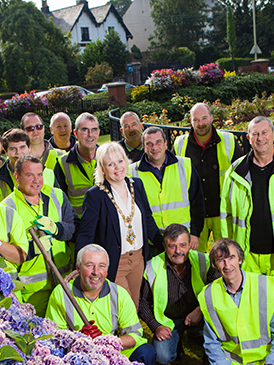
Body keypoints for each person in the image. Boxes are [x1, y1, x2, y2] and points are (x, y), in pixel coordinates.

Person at [219, 116, 274, 365]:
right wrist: (227, 254)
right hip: (248, 256)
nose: (260, 139)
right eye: (255, 134)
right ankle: (260, 358)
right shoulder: (235, 171)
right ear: (248, 138)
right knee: (255, 309)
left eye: (265, 133)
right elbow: (226, 214)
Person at [200, 238, 274, 365]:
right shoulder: (208, 295)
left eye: (231, 258)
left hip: (263, 359)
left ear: (240, 259)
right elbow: (211, 342)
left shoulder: (264, 286)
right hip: (231, 360)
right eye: (220, 260)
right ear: (215, 264)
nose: (227, 266)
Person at [76, 142, 163, 308]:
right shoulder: (95, 195)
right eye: (110, 164)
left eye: (120, 161)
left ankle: (129, 334)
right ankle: (122, 334)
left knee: (134, 305)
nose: (117, 167)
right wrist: (81, 264)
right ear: (102, 168)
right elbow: (86, 234)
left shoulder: (137, 185)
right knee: (124, 307)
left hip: (138, 258)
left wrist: (164, 244)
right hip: (115, 262)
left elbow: (148, 220)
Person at [46, 244, 156, 365]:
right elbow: (53, 336)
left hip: (111, 351)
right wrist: (81, 339)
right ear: (78, 268)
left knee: (146, 352)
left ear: (107, 270)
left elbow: (135, 335)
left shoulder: (119, 294)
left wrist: (106, 341)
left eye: (101, 266)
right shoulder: (62, 294)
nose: (96, 272)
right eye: (89, 265)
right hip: (76, 355)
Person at [1, 155, 77, 316]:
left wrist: (57, 229)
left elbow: (74, 229)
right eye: (30, 175)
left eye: (39, 174)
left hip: (65, 284)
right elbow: (7, 257)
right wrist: (32, 249)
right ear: (17, 177)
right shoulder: (6, 208)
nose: (36, 180)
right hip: (32, 293)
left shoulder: (57, 196)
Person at [139, 224, 219, 365]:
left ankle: (199, 339)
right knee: (162, 357)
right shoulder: (152, 267)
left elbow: (218, 289)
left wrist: (200, 309)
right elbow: (142, 302)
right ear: (164, 246)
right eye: (172, 246)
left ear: (190, 245)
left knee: (217, 344)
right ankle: (177, 343)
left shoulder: (204, 261)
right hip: (169, 321)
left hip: (200, 317)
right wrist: (155, 326)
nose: (178, 251)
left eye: (183, 245)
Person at [173, 103, 244, 252]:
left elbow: (242, 174)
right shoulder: (180, 144)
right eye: (196, 120)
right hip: (195, 214)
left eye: (204, 118)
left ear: (211, 118)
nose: (200, 124)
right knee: (194, 258)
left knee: (225, 255)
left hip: (222, 211)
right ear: (191, 122)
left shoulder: (228, 140)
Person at [131, 126, 204, 251]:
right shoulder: (131, 172)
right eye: (149, 144)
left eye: (158, 142)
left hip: (184, 240)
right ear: (143, 147)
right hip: (151, 242)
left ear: (165, 144)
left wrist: (195, 233)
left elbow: (197, 202)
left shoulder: (185, 166)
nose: (154, 147)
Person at [54, 112, 100, 217]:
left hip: (107, 222)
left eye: (94, 130)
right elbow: (60, 202)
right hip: (79, 224)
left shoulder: (108, 157)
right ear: (75, 133)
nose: (90, 134)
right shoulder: (62, 163)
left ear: (98, 132)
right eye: (84, 130)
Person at [0, 129, 57, 202]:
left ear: (29, 148)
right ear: (6, 152)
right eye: (13, 149)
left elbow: (61, 204)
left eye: (22, 147)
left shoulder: (49, 174)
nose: (18, 152)